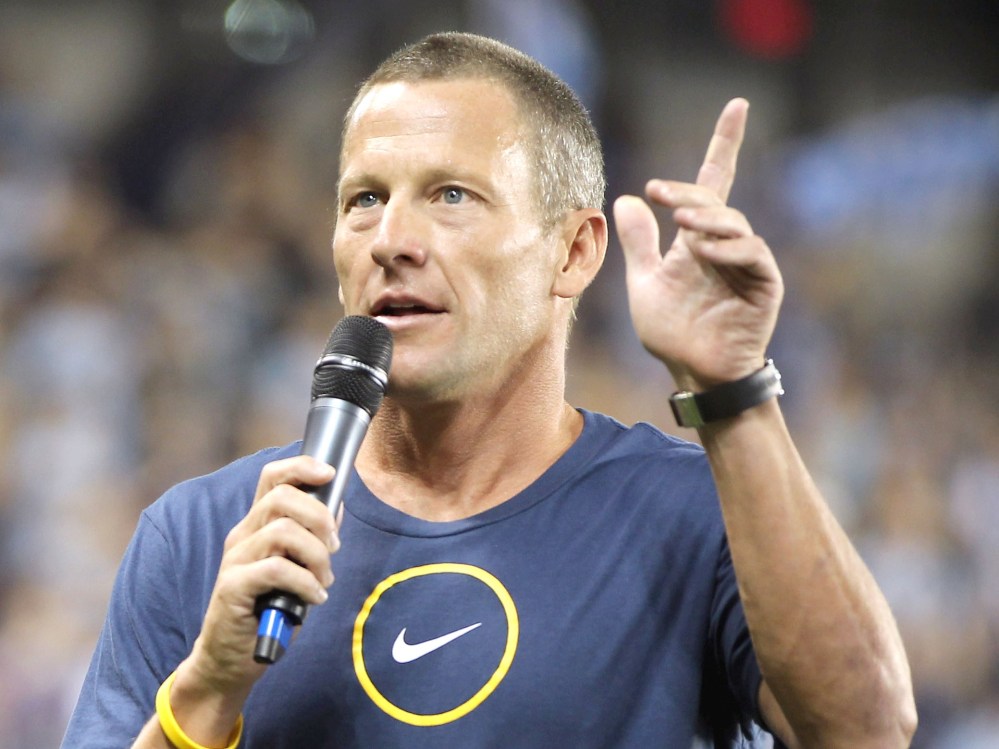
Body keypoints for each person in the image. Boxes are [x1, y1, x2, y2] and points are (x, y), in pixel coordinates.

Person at [62, 32, 916, 748]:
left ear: (574, 252)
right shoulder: (206, 536)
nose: (391, 237)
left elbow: (866, 729)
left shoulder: (693, 515)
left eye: (451, 194)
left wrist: (730, 389)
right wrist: (208, 689)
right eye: (364, 199)